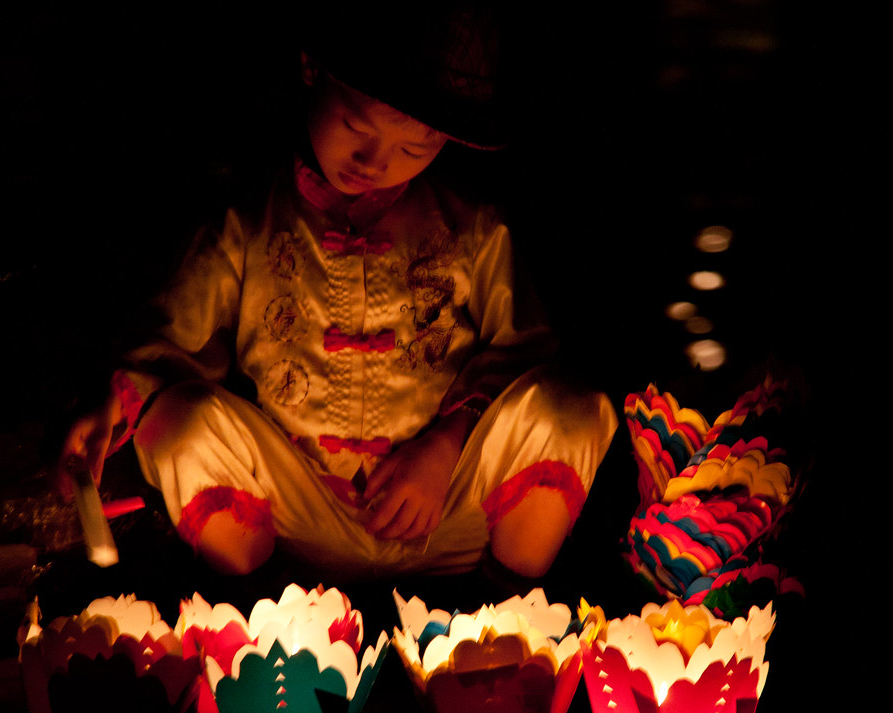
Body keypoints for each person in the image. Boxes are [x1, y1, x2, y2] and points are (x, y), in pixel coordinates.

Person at [58, 8, 618, 581]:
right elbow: (169, 341)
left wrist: (448, 445)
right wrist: (112, 403)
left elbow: (527, 355)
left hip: (447, 511)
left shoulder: (473, 229)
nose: (376, 164)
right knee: (179, 420)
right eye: (357, 127)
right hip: (295, 518)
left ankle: (514, 605)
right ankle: (251, 610)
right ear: (311, 67)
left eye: (415, 148)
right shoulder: (248, 225)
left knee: (570, 407)